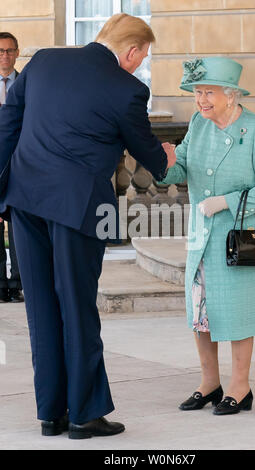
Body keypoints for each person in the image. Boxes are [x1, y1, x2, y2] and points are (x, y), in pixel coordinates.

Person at [0, 13, 176, 439]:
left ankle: (50, 414)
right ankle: (84, 414)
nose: (141, 65)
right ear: (131, 51)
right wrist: (166, 156)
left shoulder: (42, 61)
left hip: (26, 201)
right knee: (78, 306)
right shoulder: (128, 88)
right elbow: (149, 154)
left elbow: (7, 126)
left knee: (40, 309)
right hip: (82, 211)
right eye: (143, 57)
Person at [160, 56, 255, 415]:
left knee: (237, 312)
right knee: (201, 312)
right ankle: (209, 383)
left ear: (231, 95)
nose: (200, 100)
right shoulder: (199, 126)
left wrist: (225, 202)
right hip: (202, 236)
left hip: (240, 237)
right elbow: (180, 169)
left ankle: (240, 386)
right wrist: (166, 164)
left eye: (208, 92)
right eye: (197, 92)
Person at [0, 32, 23, 303]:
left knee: (19, 227)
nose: (5, 55)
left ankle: (17, 282)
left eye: (9, 50)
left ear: (17, 53)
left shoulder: (26, 84)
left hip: (19, 165)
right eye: (1, 51)